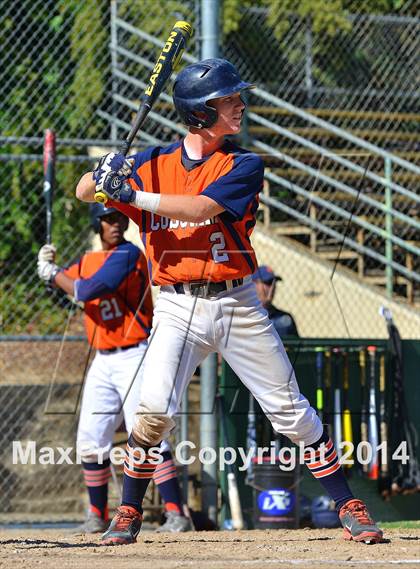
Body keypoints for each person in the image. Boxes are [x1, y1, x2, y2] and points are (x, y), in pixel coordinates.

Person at [75, 58, 383, 546]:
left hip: (237, 303)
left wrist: (132, 191)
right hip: (175, 306)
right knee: (152, 411)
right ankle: (129, 511)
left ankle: (348, 504)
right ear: (199, 113)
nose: (239, 105)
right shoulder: (152, 160)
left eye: (237, 98)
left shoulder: (243, 164)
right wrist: (106, 172)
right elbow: (84, 191)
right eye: (227, 100)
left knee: (290, 412)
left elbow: (199, 210)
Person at [37, 203, 191, 533]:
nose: (116, 225)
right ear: (97, 225)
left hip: (135, 355)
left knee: (148, 431)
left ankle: (176, 512)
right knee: (91, 438)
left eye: (120, 219)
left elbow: (89, 289)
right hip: (103, 359)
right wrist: (47, 270)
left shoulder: (128, 254)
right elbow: (65, 293)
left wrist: (56, 275)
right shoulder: (87, 261)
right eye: (108, 220)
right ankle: (96, 514)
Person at [252, 265, 299, 337]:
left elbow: (296, 347)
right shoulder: (244, 316)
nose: (273, 287)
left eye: (274, 283)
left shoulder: (285, 318)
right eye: (268, 282)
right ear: (254, 284)